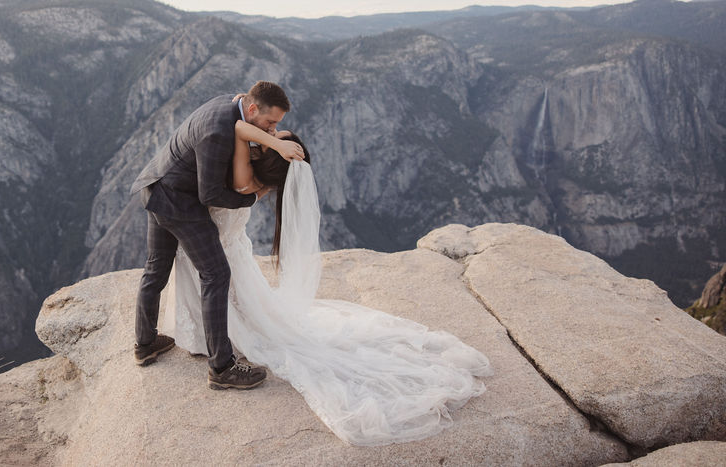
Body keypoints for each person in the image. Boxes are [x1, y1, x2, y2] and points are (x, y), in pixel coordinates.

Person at [169, 121, 494, 445]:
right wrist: (277, 145)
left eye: (274, 136)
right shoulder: (256, 186)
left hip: (208, 250)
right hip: (232, 253)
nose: (273, 131)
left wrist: (270, 140)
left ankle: (213, 342)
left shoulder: (239, 178)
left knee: (214, 284)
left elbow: (239, 128)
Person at [130, 81, 304, 390]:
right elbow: (209, 194)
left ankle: (144, 344)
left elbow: (242, 119)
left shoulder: (233, 105)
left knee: (156, 268)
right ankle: (222, 367)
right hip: (178, 203)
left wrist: (273, 142)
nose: (273, 129)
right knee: (216, 273)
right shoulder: (218, 132)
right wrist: (254, 197)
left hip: (156, 187)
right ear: (253, 109)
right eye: (271, 122)